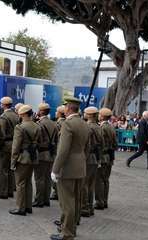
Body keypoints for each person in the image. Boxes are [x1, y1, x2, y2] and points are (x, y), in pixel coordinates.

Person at [50, 96, 90, 240]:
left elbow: (63, 150)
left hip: (67, 168)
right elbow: (87, 148)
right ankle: (70, 229)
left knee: (67, 203)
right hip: (80, 167)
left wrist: (55, 169)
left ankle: (67, 233)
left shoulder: (68, 124)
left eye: (65, 106)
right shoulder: (84, 123)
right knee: (75, 201)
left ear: (67, 108)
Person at [9, 104, 41, 216]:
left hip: (22, 157)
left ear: (22, 114)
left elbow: (16, 146)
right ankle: (28, 206)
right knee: (28, 182)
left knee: (20, 183)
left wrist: (13, 161)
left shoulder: (20, 127)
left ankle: (20, 207)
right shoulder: (37, 126)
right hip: (33, 157)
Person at [33, 103, 58, 208]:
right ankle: (46, 199)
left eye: (39, 110)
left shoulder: (39, 124)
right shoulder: (54, 124)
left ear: (42, 111)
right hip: (51, 154)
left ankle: (39, 200)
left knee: (39, 178)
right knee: (47, 178)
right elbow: (57, 140)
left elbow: (36, 140)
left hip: (42, 154)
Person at [81, 107, 104, 217]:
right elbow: (102, 144)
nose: (84, 114)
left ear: (89, 115)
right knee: (90, 184)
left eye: (85, 113)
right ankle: (90, 207)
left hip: (88, 157)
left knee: (84, 184)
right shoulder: (99, 127)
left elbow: (86, 144)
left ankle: (84, 207)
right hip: (95, 157)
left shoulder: (87, 127)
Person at [0, 96, 19, 199]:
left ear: (4, 105)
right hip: (14, 144)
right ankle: (10, 190)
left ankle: (3, 192)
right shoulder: (16, 115)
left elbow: (2, 134)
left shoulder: (3, 117)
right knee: (11, 169)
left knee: (3, 169)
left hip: (6, 145)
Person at [95, 108, 117, 210]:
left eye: (99, 114)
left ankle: (100, 202)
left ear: (102, 116)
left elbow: (100, 144)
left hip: (103, 156)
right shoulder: (111, 127)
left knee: (99, 180)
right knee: (106, 180)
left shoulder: (102, 128)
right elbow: (115, 144)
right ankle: (105, 201)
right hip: (110, 157)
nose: (98, 116)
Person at [50, 105, 66, 201]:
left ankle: (56, 192)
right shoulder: (66, 123)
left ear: (60, 113)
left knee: (55, 172)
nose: (55, 113)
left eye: (57, 111)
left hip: (57, 150)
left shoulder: (58, 124)